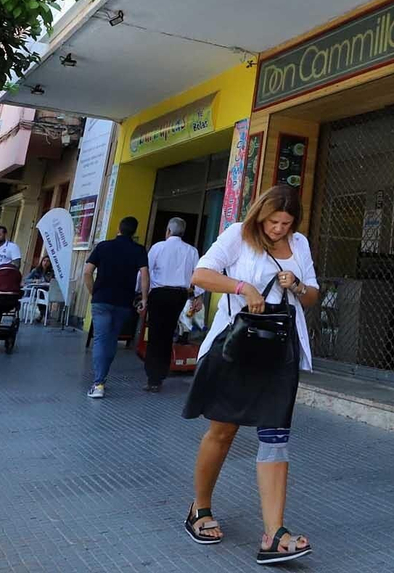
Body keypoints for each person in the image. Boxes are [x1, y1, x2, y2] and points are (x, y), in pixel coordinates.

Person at [182, 184, 317, 562]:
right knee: (223, 430)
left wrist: (298, 284)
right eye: (273, 221)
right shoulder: (237, 235)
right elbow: (201, 275)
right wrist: (243, 286)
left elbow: (312, 295)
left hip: (279, 353)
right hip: (237, 348)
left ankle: (274, 533)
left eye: (286, 223)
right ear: (261, 214)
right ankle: (200, 508)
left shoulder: (300, 244)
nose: (278, 229)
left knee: (276, 435)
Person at [83, 216, 150, 399]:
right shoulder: (138, 250)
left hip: (101, 299)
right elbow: (144, 275)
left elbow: (87, 272)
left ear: (119, 228)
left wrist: (93, 292)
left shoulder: (103, 246)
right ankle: (102, 379)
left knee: (100, 339)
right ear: (134, 231)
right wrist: (144, 298)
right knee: (112, 340)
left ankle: (98, 383)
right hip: (123, 302)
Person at [145, 217, 202, 393]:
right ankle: (161, 373)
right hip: (179, 295)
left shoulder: (158, 247)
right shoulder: (191, 251)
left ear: (168, 231)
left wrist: (142, 294)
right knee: (169, 332)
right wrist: (198, 297)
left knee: (155, 334)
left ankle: (153, 378)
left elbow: (145, 271)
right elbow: (198, 273)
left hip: (158, 293)